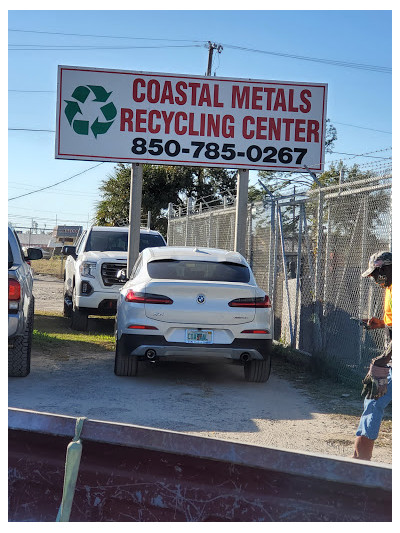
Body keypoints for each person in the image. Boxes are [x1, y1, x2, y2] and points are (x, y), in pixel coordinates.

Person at [352, 251, 392, 461]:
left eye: (377, 274)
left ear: (387, 269)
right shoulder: (389, 289)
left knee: (373, 402)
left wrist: (383, 359)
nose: (375, 280)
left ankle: (361, 463)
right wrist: (381, 324)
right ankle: (359, 459)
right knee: (372, 401)